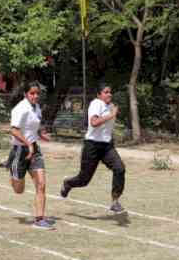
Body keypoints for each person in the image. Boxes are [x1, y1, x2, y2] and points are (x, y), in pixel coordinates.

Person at [60, 84, 126, 213]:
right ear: (98, 95)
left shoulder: (110, 106)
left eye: (110, 92)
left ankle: (115, 201)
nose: (109, 94)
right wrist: (111, 115)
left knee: (120, 169)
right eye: (106, 92)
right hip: (92, 145)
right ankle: (68, 183)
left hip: (107, 146)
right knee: (84, 180)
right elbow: (94, 123)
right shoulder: (96, 104)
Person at [7, 82, 54, 230]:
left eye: (37, 93)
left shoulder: (37, 108)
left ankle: (39, 219)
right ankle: (12, 168)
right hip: (20, 151)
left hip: (35, 150)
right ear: (26, 94)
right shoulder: (20, 109)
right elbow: (14, 130)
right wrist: (27, 144)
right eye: (32, 93)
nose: (35, 96)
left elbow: (35, 127)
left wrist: (41, 135)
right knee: (19, 190)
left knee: (41, 184)